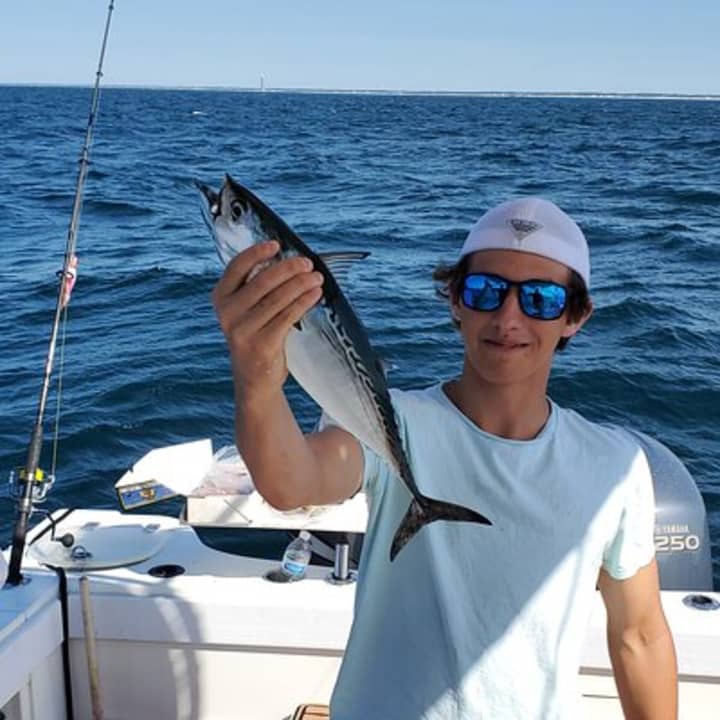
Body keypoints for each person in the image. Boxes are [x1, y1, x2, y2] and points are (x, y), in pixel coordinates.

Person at [212, 197, 678, 719]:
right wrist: (256, 375)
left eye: (541, 299)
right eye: (485, 291)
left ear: (575, 317)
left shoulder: (615, 464)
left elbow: (640, 634)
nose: (508, 317)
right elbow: (290, 482)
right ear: (455, 299)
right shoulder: (394, 421)